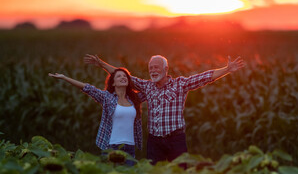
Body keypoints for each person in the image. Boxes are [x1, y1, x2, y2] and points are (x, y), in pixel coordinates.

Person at [84, 54, 245, 164]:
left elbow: (205, 77)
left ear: (166, 69)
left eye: (156, 67)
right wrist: (101, 64)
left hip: (176, 139)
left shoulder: (180, 84)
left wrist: (227, 69)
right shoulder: (147, 86)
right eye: (150, 68)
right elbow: (123, 75)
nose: (153, 71)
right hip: (154, 142)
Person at [48, 68, 145, 166]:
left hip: (130, 147)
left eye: (125, 76)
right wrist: (64, 78)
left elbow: (149, 89)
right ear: (113, 83)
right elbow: (88, 88)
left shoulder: (134, 99)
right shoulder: (107, 98)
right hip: (112, 146)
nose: (123, 77)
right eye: (119, 76)